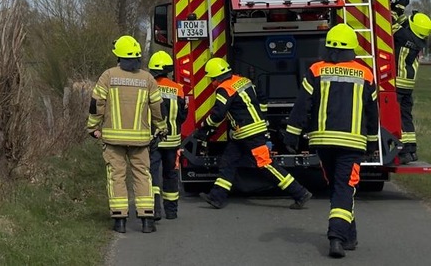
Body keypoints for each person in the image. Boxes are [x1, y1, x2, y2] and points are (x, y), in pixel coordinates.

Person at [284, 23, 380, 258]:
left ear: (328, 47)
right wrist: (372, 143)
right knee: (344, 189)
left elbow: (302, 106)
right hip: (352, 144)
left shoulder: (316, 70)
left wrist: (291, 135)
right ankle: (336, 237)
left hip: (323, 143)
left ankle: (349, 237)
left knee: (340, 188)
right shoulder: (366, 74)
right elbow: (372, 112)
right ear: (352, 49)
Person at [195, 56, 312, 210]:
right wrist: (261, 117)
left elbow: (218, 114)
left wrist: (204, 127)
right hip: (243, 134)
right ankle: (217, 197)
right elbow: (262, 98)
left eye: (212, 79)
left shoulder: (224, 89)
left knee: (266, 165)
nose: (212, 83)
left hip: (250, 133)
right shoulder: (243, 81)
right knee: (227, 163)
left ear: (217, 78)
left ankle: (300, 193)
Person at [87, 36, 167, 234]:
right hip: (141, 140)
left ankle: (120, 221)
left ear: (119, 56)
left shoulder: (108, 76)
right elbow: (158, 108)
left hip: (113, 140)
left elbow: (97, 104)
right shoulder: (148, 79)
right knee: (143, 176)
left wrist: (93, 127)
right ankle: (147, 220)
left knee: (117, 177)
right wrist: (161, 127)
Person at [147, 50, 187, 220]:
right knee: (170, 175)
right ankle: (171, 212)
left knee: (153, 173)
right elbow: (183, 116)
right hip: (173, 140)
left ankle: (155, 210)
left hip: (154, 139)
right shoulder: (178, 89)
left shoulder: (149, 87)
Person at [396, 12, 431, 163]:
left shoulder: (402, 36)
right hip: (408, 85)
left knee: (397, 117)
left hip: (397, 83)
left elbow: (388, 23)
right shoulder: (417, 40)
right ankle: (411, 149)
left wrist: (395, 10)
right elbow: (404, 25)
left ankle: (402, 151)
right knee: (406, 117)